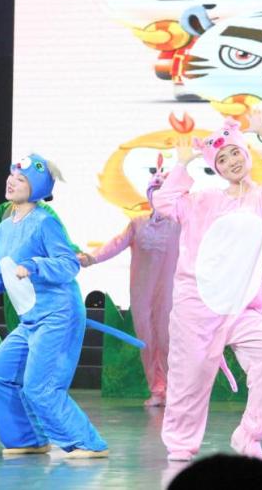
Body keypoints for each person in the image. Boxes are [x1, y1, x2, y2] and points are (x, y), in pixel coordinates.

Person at [153, 111, 262, 462]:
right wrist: (182, 162)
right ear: (215, 168)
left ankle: (249, 436)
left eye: (235, 152)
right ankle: (180, 445)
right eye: (222, 158)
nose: (231, 161)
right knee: (189, 380)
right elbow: (164, 201)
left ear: (247, 154)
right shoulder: (203, 200)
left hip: (243, 308)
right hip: (197, 307)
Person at [0, 153, 108, 458]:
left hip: (58, 315)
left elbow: (68, 264)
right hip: (30, 321)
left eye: (21, 179)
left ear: (36, 188)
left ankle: (86, 442)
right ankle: (27, 439)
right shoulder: (5, 228)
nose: (12, 181)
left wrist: (36, 265)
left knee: (40, 386)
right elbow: (1, 270)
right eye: (12, 175)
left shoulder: (45, 222)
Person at [79, 160, 181, 407]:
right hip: (141, 291)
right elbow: (116, 244)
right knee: (147, 339)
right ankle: (157, 389)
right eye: (155, 193)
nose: (159, 198)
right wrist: (92, 257)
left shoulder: (180, 225)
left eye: (164, 193)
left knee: (167, 339)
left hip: (171, 292)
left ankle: (174, 389)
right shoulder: (137, 224)